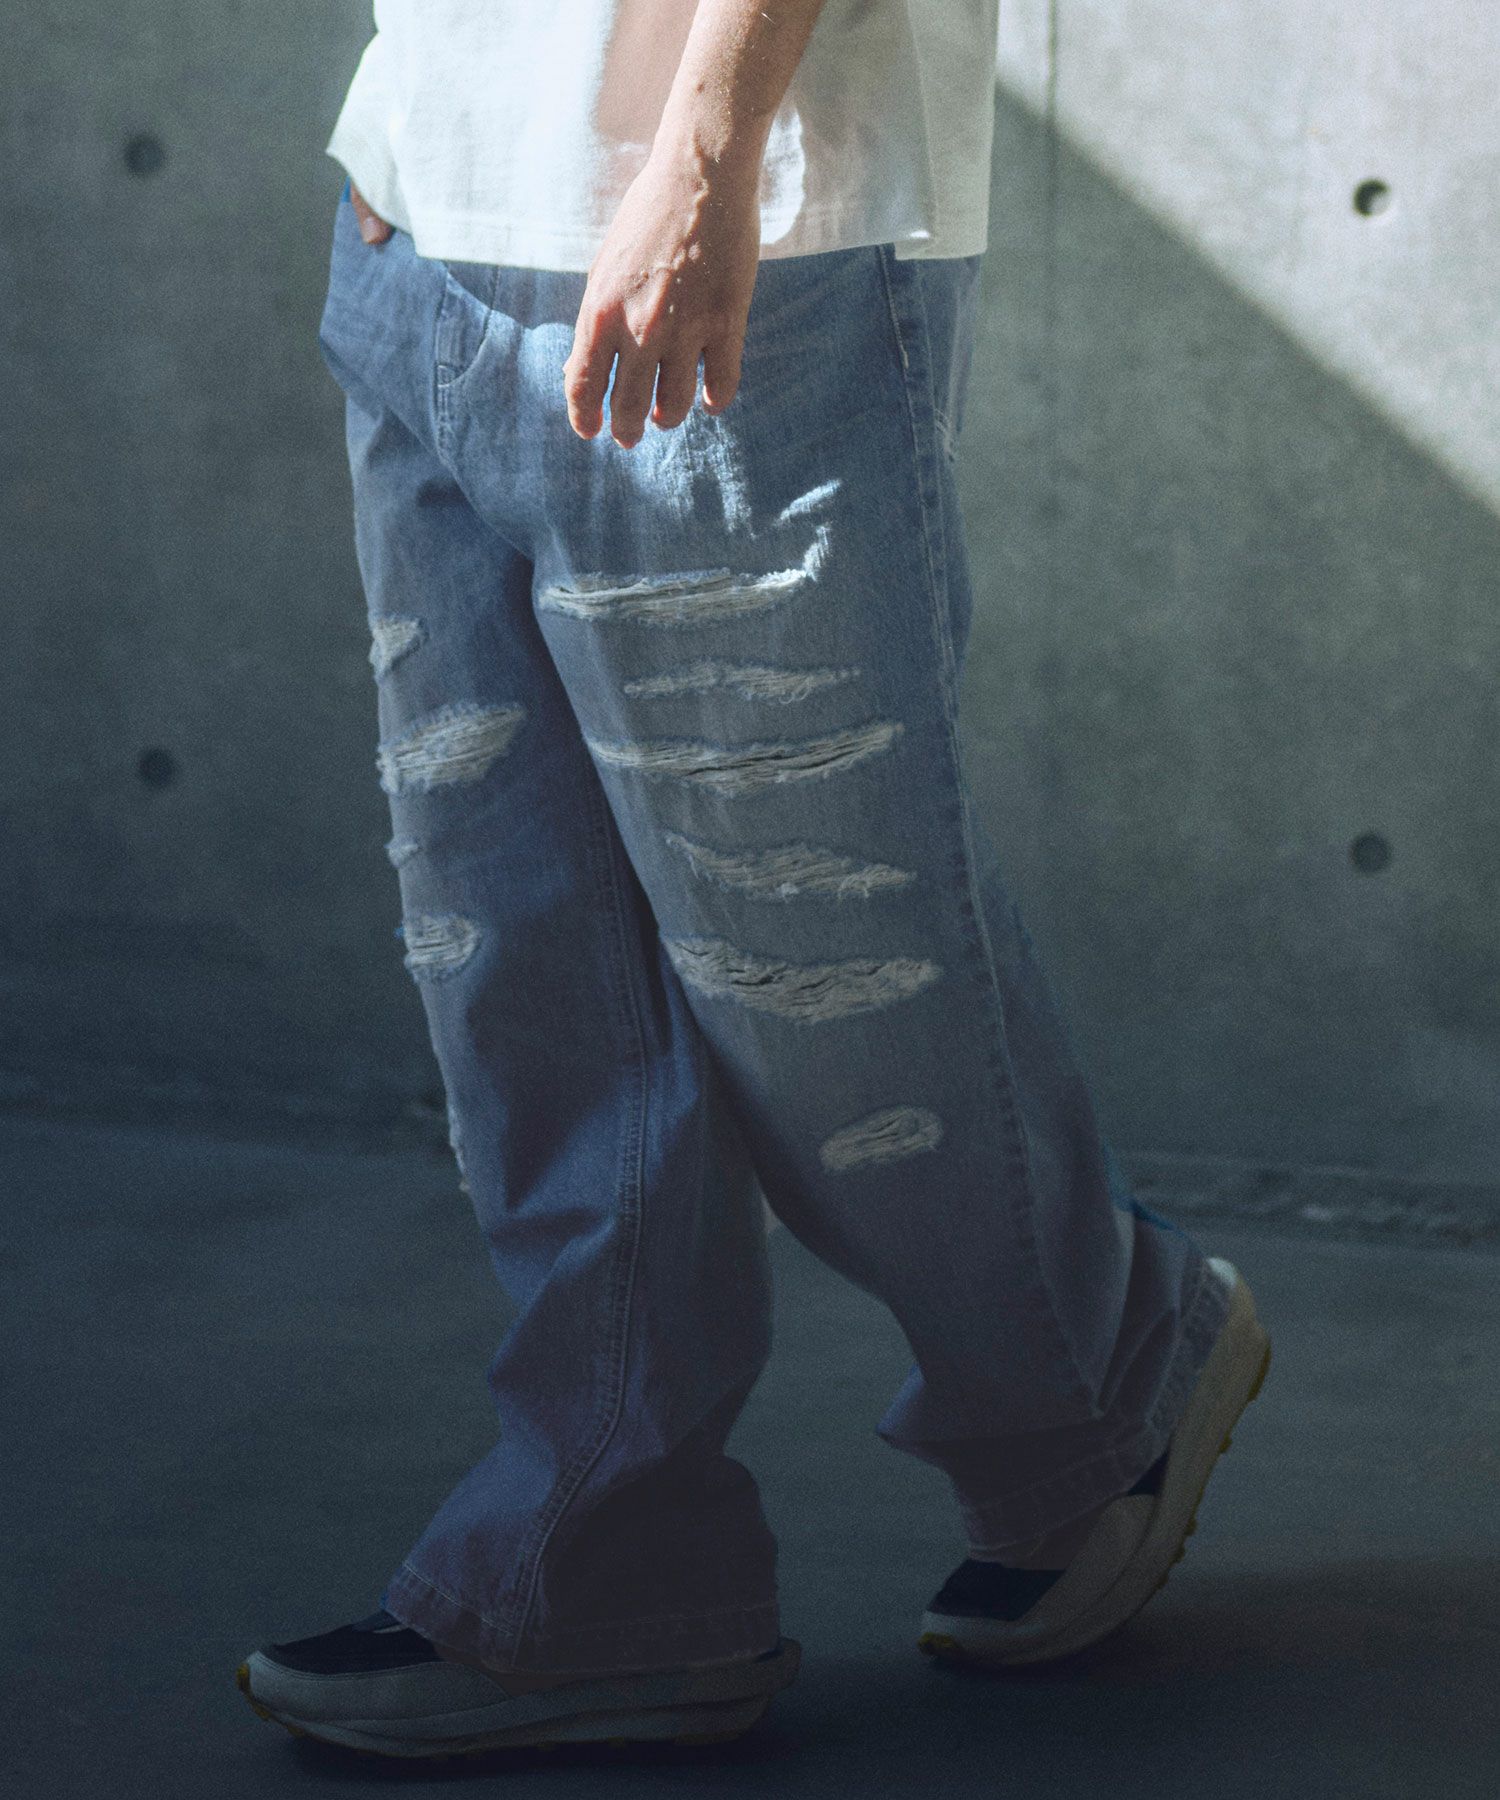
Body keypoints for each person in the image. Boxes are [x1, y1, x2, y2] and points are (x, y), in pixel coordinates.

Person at [237, 0, 1271, 1762]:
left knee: (817, 952)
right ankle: (610, 1572)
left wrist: (705, 156)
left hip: (747, 246)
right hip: (425, 228)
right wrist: (398, 117)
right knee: (522, 967)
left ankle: (1099, 1385)